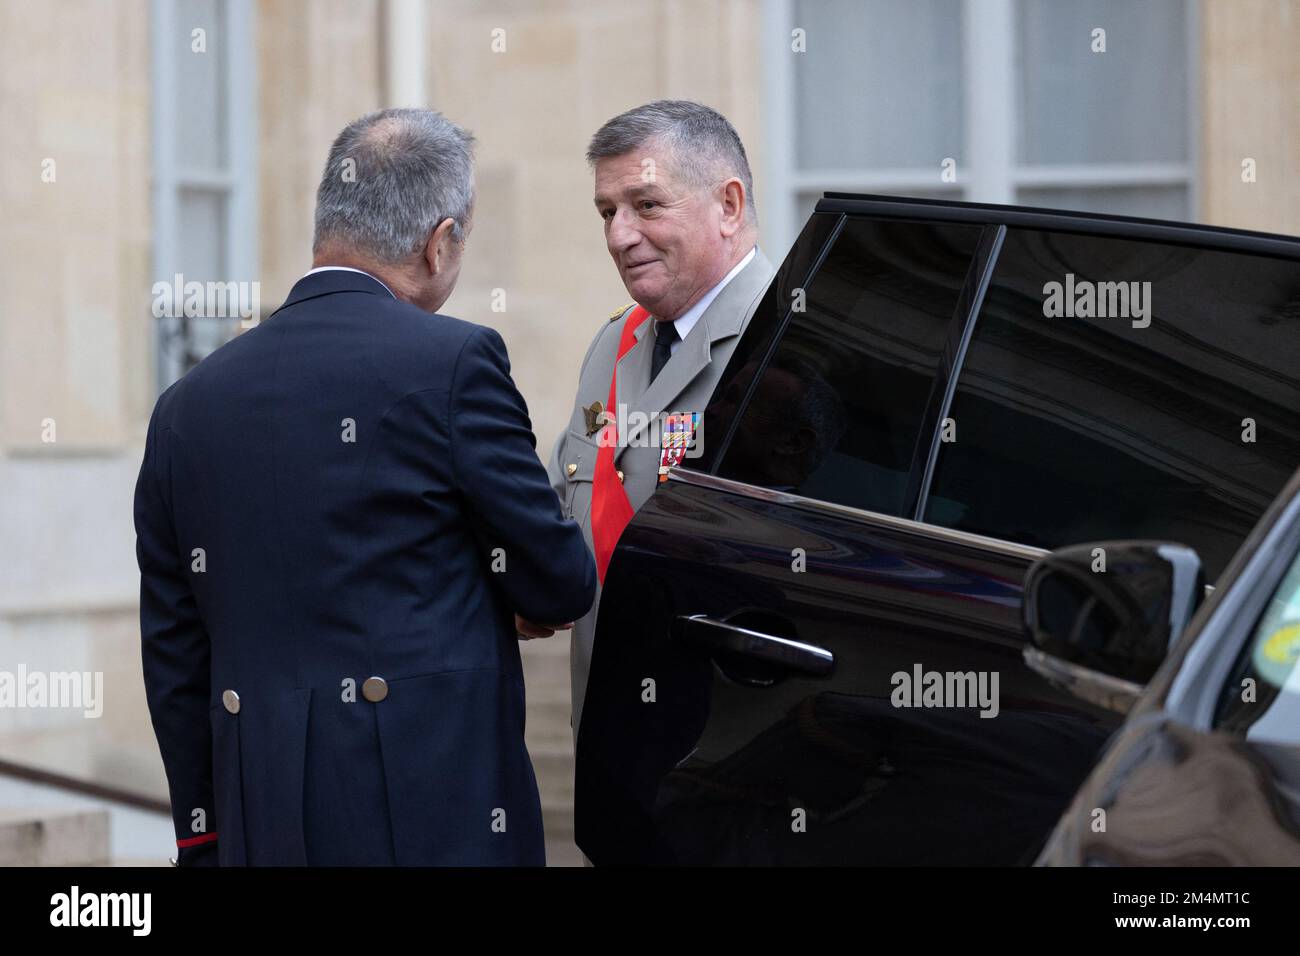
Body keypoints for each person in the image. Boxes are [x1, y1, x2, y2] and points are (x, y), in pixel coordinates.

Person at [135, 108, 595, 866]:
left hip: (259, 819)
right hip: (432, 809)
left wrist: (202, 834)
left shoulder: (187, 405)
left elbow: (175, 649)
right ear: (439, 241)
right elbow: (559, 581)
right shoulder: (456, 362)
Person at [539, 100, 776, 744]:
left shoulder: (788, 343)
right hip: (611, 734)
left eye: (646, 205)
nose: (618, 236)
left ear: (728, 206)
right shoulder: (614, 345)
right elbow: (563, 510)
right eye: (607, 213)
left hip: (727, 750)